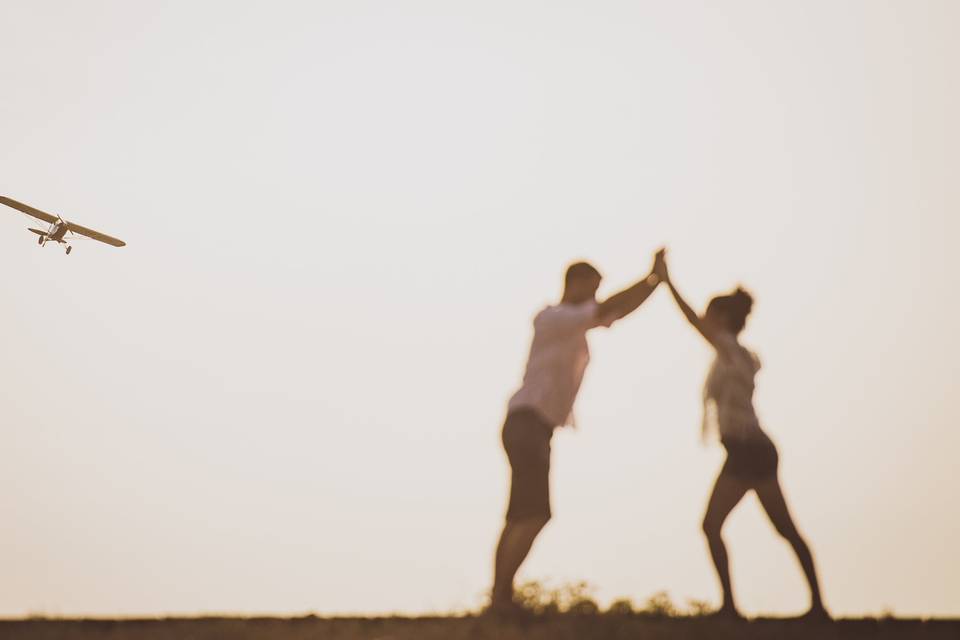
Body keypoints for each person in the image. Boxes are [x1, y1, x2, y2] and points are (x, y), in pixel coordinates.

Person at [490, 249, 666, 614]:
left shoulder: (573, 322)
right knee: (534, 513)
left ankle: (499, 598)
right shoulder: (553, 317)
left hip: (532, 426)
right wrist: (650, 277)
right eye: (592, 288)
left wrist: (655, 284)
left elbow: (617, 311)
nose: (596, 297)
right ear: (575, 283)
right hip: (527, 423)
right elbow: (609, 308)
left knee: (521, 514)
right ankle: (501, 599)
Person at [656, 257, 828, 620]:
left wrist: (668, 280)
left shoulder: (732, 351)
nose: (703, 320)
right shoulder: (734, 353)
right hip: (749, 450)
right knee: (780, 530)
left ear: (721, 319)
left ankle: (737, 608)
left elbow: (691, 321)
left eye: (709, 315)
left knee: (718, 525)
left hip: (750, 451)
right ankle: (806, 606)